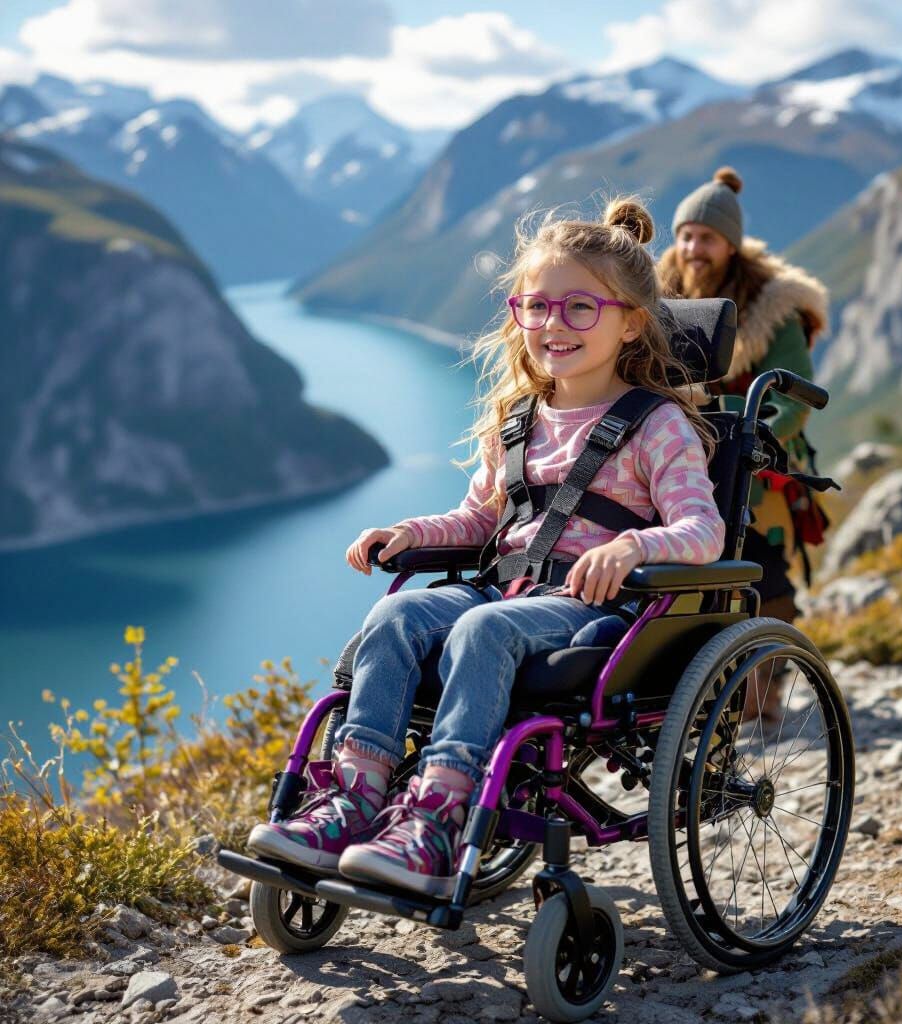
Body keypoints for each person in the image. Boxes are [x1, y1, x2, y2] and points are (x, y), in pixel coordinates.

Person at [247, 198, 726, 896]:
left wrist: (632, 547)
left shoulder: (659, 427)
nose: (553, 325)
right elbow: (479, 520)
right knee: (396, 617)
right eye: (536, 306)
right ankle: (353, 799)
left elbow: (703, 531)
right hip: (508, 592)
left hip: (596, 611)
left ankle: (438, 816)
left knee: (482, 625)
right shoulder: (520, 420)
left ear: (631, 323)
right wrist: (412, 534)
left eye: (579, 309)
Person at [658, 168, 829, 627]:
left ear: (731, 245)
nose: (694, 250)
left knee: (759, 572)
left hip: (755, 464)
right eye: (687, 236)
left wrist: (727, 422)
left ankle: (763, 689)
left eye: (707, 238)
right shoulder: (657, 297)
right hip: (670, 454)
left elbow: (794, 401)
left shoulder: (773, 309)